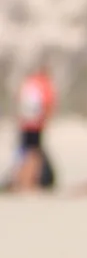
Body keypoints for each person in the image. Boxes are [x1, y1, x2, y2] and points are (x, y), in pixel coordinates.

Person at [10, 61, 57, 193]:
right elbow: (48, 104)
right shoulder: (43, 84)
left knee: (25, 152)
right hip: (35, 124)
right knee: (34, 153)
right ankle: (28, 182)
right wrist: (46, 119)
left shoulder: (29, 83)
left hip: (25, 123)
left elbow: (18, 100)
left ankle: (21, 181)